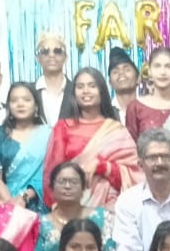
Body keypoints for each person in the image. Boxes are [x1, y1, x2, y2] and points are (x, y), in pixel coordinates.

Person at [44, 67, 140, 212]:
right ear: (73, 93)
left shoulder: (116, 130)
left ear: (102, 91)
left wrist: (102, 166)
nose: (86, 91)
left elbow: (135, 175)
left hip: (111, 212)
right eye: (80, 87)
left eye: (92, 86)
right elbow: (51, 176)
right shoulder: (63, 128)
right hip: (71, 211)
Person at [123, 46, 170, 185]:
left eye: (168, 66)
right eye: (157, 66)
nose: (163, 72)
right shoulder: (136, 107)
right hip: (146, 181)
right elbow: (130, 152)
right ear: (149, 71)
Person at [36, 161, 117, 251]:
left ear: (84, 188)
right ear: (51, 188)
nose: (67, 186)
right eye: (62, 181)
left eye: (73, 182)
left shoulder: (103, 217)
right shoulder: (40, 224)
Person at [0, 82, 52, 211]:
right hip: (5, 202)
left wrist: (25, 197)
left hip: (39, 202)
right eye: (14, 100)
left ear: (36, 106)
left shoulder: (49, 134)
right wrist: (10, 205)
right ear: (8, 106)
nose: (20, 104)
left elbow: (51, 173)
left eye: (26, 99)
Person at [33, 30, 72, 119]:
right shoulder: (29, 92)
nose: (51, 55)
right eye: (45, 51)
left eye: (57, 51)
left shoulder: (76, 91)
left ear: (65, 57)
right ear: (38, 58)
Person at [108, 48, 140, 120]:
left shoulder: (150, 107)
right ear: (110, 83)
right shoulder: (104, 112)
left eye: (127, 69)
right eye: (115, 72)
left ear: (138, 78)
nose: (121, 73)